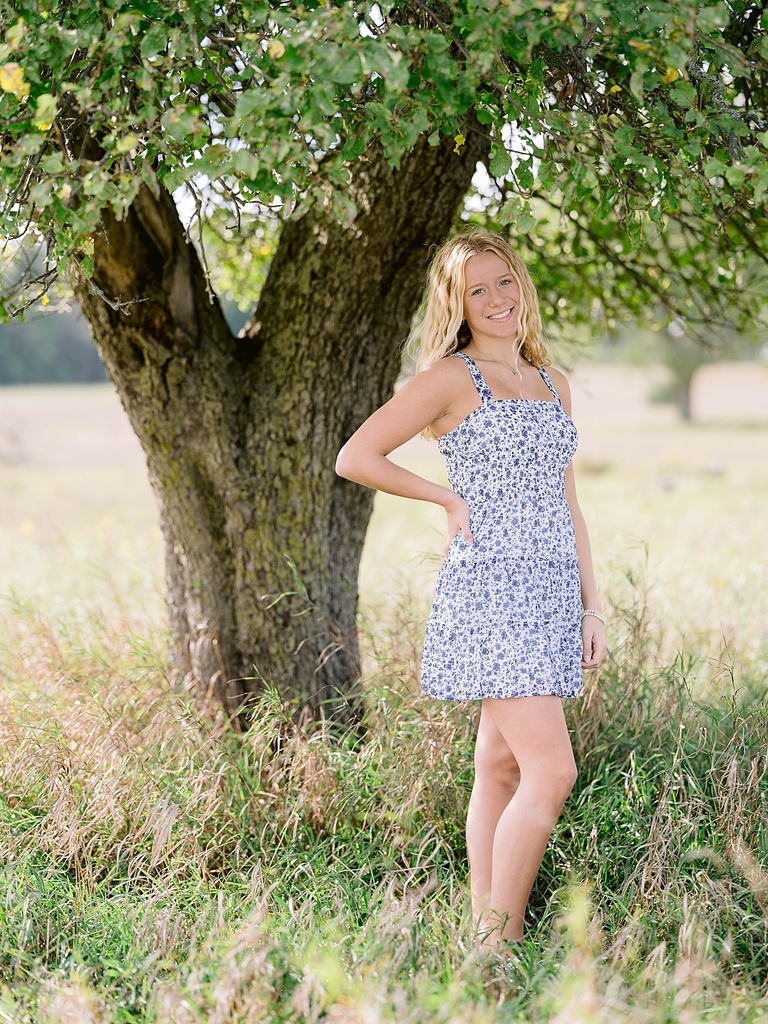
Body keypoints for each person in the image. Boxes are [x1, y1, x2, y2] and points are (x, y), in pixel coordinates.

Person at [335, 230, 606, 946]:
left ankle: (478, 932)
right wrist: (446, 501)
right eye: (476, 290)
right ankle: (500, 941)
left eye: (504, 282)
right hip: (491, 589)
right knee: (551, 771)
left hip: (551, 590)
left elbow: (567, 503)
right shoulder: (453, 379)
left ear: (522, 285)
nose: (496, 300)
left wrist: (592, 604)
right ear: (457, 304)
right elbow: (356, 455)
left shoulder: (554, 382)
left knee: (502, 765)